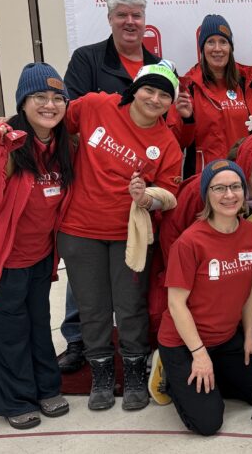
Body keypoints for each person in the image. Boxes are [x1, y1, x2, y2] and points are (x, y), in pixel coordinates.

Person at [0, 63, 74, 429]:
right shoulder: (2, 144)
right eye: (40, 96)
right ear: (23, 102)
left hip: (36, 257)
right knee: (6, 334)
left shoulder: (61, 146)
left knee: (38, 325)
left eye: (57, 98)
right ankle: (13, 398)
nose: (49, 104)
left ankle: (44, 387)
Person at [58, 62, 183, 412]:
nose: (155, 99)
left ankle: (132, 371)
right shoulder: (97, 105)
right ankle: (100, 371)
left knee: (130, 307)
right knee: (92, 307)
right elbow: (54, 127)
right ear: (135, 88)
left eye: (164, 95)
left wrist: (147, 197)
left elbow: (169, 193)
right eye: (150, 90)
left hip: (129, 235)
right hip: (79, 229)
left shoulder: (167, 144)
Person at [59, 0, 161, 374]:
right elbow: (71, 115)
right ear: (110, 19)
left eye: (136, 15)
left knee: (128, 280)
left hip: (135, 191)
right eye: (123, 15)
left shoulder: (156, 63)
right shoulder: (88, 59)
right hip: (93, 184)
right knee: (86, 277)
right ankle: (77, 340)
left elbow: (163, 127)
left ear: (145, 21)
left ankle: (132, 345)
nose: (130, 22)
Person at [148, 133, 252, 404]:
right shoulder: (200, 190)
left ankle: (230, 356)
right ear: (246, 163)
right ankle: (172, 362)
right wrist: (185, 271)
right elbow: (173, 231)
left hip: (236, 259)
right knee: (171, 304)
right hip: (189, 260)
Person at [157, 159, 252, 436]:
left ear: (244, 192)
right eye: (219, 188)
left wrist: (250, 337)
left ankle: (212, 374)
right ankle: (170, 374)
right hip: (185, 343)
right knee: (208, 422)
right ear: (206, 194)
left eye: (235, 187)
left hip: (226, 340)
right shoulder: (190, 242)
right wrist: (198, 354)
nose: (229, 195)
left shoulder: (250, 232)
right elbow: (175, 303)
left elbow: (250, 285)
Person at [168, 14, 252, 176]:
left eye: (223, 42)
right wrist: (187, 119)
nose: (217, 48)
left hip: (244, 175)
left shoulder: (245, 83)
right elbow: (175, 143)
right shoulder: (189, 87)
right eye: (210, 42)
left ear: (230, 47)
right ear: (202, 48)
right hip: (206, 180)